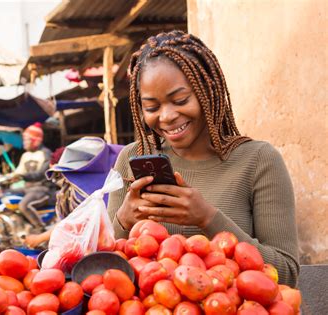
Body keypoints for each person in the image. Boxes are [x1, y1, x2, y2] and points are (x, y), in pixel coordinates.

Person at [107, 30, 299, 286]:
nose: (166, 116)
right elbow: (100, 267)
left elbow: (285, 273)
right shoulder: (132, 158)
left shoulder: (258, 161)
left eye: (180, 100)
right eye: (152, 107)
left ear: (207, 90)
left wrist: (208, 219)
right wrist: (123, 221)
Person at [7, 122, 53, 229]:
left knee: (24, 205)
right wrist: (6, 178)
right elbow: (19, 171)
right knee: (6, 195)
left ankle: (40, 229)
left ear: (35, 140)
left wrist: (23, 176)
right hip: (27, 188)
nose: (24, 143)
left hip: (42, 189)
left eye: (26, 140)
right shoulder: (25, 155)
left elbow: (42, 174)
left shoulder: (46, 153)